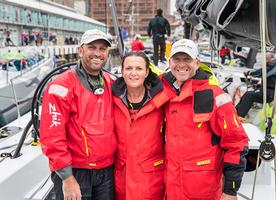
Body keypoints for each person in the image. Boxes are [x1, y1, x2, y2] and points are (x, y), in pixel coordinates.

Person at [162, 39, 249, 200]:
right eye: (177, 59)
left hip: (203, 192)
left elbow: (236, 143)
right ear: (170, 62)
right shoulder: (165, 93)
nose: (181, 64)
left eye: (187, 59)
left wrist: (230, 190)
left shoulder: (215, 96)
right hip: (171, 188)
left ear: (197, 62)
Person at [40, 29, 117, 200]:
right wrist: (67, 177)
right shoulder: (61, 86)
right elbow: (52, 136)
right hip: (76, 172)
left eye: (102, 49)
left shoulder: (112, 84)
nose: (97, 53)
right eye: (92, 47)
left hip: (106, 171)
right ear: (80, 50)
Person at [112, 51, 167, 200]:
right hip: (121, 180)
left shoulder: (162, 100)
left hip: (151, 181)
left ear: (147, 72)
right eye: (129, 68)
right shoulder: (111, 99)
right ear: (122, 71)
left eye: (139, 68)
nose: (133, 73)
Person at [236, 52, 276, 118]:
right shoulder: (272, 65)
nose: (265, 61)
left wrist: (249, 73)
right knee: (247, 93)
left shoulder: (273, 65)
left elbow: (262, 73)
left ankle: (239, 116)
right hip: (266, 90)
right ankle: (235, 112)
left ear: (272, 58)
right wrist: (260, 85)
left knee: (249, 95)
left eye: (266, 59)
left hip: (269, 93)